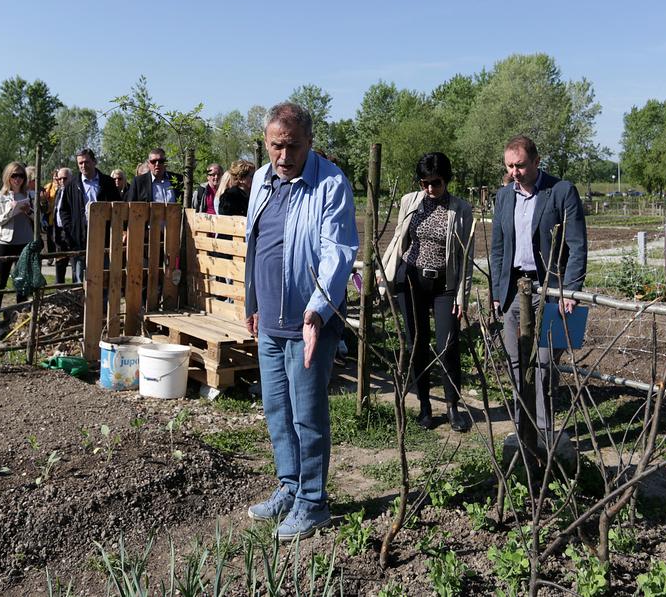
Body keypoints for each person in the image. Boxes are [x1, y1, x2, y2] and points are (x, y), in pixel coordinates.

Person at [244, 102, 358, 541]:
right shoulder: (260, 180)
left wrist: (315, 310)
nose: (283, 156)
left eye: (292, 146)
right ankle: (289, 487)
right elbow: (256, 245)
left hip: (311, 321)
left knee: (307, 415)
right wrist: (252, 303)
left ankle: (314, 502)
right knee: (277, 410)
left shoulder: (330, 183)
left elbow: (338, 251)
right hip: (270, 320)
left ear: (309, 142)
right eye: (276, 146)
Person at [489, 134, 588, 451]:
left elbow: (577, 246)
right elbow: (498, 249)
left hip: (549, 291)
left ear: (536, 162)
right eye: (509, 166)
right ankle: (522, 431)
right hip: (513, 293)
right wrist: (496, 290)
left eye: (519, 165)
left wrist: (570, 290)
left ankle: (543, 434)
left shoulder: (560, 192)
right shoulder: (504, 196)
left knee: (544, 368)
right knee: (516, 365)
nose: (514, 172)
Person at [380, 152, 476, 433]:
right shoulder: (410, 201)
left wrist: (462, 296)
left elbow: (466, 257)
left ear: (446, 179)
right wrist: (388, 273)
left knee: (448, 347)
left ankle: (452, 406)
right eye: (424, 183)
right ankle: (424, 406)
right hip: (410, 282)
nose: (430, 189)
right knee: (417, 345)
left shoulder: (461, 209)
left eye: (435, 183)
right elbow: (400, 238)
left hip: (445, 286)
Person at [58, 149, 119, 282]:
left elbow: (118, 207)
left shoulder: (107, 183)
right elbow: (64, 210)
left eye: (86, 162)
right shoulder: (72, 185)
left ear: (94, 162)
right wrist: (71, 229)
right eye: (80, 163)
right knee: (81, 280)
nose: (83, 166)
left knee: (104, 278)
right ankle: (82, 303)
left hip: (104, 237)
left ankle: (101, 303)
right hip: (80, 238)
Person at [0, 161, 34, 313]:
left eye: (21, 175)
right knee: (0, 280)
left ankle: (20, 311)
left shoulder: (29, 195)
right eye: (14, 175)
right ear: (8, 176)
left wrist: (29, 211)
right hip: (5, 242)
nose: (18, 179)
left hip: (25, 242)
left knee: (22, 279)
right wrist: (10, 210)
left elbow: (38, 220)